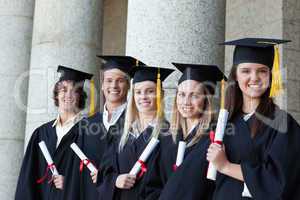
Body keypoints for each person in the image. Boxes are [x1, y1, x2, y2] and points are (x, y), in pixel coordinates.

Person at [207, 38, 300, 199]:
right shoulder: (223, 124)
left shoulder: (283, 123)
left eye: (262, 71)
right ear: (235, 75)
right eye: (246, 71)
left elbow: (281, 181)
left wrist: (226, 166)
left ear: (271, 76)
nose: (255, 77)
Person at [142, 63, 225, 200]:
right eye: (181, 94)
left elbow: (216, 188)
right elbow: (152, 184)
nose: (186, 102)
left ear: (206, 100)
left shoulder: (214, 139)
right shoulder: (167, 137)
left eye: (194, 96)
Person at [96, 65, 174, 200]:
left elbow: (170, 184)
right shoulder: (120, 133)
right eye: (138, 92)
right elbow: (104, 173)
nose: (143, 97)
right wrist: (116, 180)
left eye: (150, 91)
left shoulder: (169, 135)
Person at [15, 65, 93, 200]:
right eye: (63, 90)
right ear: (57, 95)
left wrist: (69, 183)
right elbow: (27, 179)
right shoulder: (41, 134)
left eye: (74, 90)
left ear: (80, 96)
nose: (67, 95)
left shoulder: (89, 132)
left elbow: (95, 178)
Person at [79, 56, 145, 199]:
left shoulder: (137, 122)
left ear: (128, 86)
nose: (114, 86)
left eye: (120, 80)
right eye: (108, 80)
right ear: (102, 85)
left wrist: (108, 178)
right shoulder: (87, 125)